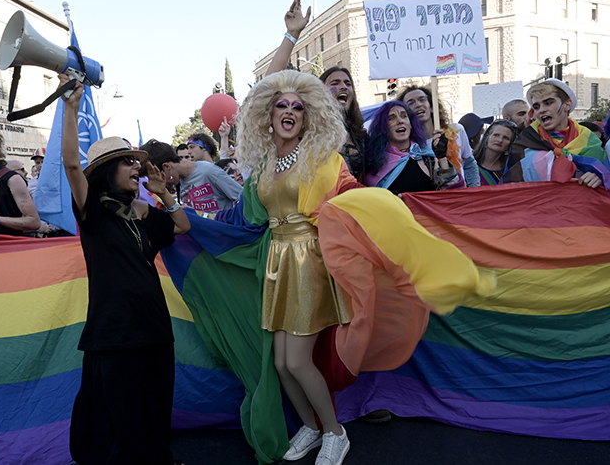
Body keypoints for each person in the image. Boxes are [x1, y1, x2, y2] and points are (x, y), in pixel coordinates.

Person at [58, 74, 190, 465]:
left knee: (156, 403)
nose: (136, 166)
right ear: (106, 171)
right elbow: (70, 164)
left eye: (137, 162)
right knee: (119, 414)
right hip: (113, 332)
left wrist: (163, 192)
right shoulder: (93, 211)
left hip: (153, 325)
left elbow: (181, 226)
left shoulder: (147, 213)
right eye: (128, 162)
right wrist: (70, 107)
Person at [234, 70, 356, 465]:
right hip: (277, 259)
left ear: (307, 118)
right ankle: (310, 427)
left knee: (299, 361)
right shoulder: (264, 164)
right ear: (268, 115)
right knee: (282, 362)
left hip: (309, 258)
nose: (289, 111)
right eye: (281, 105)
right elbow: (250, 215)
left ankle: (336, 433)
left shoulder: (321, 158)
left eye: (298, 107)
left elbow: (351, 197)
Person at [264, 0, 369, 182]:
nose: (343, 87)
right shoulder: (305, 130)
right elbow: (268, 87)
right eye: (334, 83)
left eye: (347, 83)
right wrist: (292, 35)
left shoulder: (361, 136)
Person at [504, 79, 607, 189]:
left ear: (567, 105)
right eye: (537, 107)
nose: (541, 110)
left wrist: (599, 177)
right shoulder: (525, 141)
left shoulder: (590, 140)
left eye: (548, 103)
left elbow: (605, 176)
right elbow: (509, 186)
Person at [364, 101, 463, 194]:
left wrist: (442, 158)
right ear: (383, 127)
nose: (400, 121)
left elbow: (452, 192)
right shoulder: (375, 163)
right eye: (391, 118)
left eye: (404, 116)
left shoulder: (428, 158)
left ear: (411, 124)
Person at [398, 85, 480, 187]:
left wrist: (474, 191)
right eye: (411, 103)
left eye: (421, 99)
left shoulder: (457, 131)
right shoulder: (407, 145)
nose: (418, 104)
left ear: (432, 107)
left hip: (461, 197)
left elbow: (469, 164)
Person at [140, 139, 243, 213]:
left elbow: (243, 198)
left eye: (158, 176)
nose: (163, 182)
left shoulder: (208, 171)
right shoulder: (179, 181)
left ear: (166, 167)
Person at [473, 120, 517, 185]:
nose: (500, 140)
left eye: (505, 138)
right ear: (487, 137)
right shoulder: (469, 164)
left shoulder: (510, 171)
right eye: (496, 135)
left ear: (510, 144)